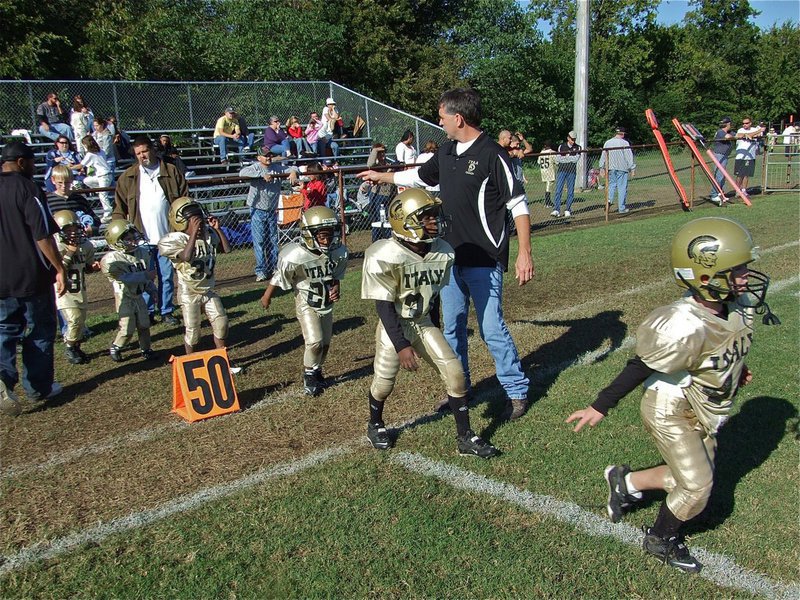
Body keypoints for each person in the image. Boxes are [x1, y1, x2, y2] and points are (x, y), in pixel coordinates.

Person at [566, 216, 779, 574]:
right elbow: (641, 365)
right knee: (697, 487)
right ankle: (660, 538)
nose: (745, 276)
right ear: (706, 277)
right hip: (671, 407)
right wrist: (601, 405)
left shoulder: (734, 305)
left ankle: (625, 481)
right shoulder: (683, 322)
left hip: (703, 404)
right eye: (737, 269)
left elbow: (724, 347)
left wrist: (734, 371)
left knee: (691, 475)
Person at [358, 88, 534, 420]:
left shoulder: (493, 154)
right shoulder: (448, 151)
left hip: (484, 258)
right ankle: (460, 388)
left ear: (458, 118)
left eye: (441, 116)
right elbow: (420, 177)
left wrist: (525, 252)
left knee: (491, 328)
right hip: (449, 259)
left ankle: (516, 390)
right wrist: (382, 175)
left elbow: (518, 205)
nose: (439, 122)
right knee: (451, 327)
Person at [361, 189, 499, 456]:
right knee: (384, 383)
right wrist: (401, 345)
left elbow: (432, 297)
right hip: (395, 326)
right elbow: (384, 306)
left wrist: (433, 329)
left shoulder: (442, 251)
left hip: (422, 322)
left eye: (434, 216)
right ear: (405, 221)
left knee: (455, 373)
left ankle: (465, 437)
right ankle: (375, 423)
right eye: (427, 218)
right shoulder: (383, 254)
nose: (435, 222)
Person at [0, 141, 67, 415]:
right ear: (21, 162)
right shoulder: (28, 189)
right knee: (39, 329)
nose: (35, 166)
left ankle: (4, 380)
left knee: (4, 330)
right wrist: (59, 267)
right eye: (32, 161)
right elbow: (42, 235)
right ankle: (39, 386)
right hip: (31, 274)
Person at [260, 206, 349, 396]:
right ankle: (309, 375)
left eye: (330, 235)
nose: (327, 241)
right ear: (309, 234)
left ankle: (316, 371)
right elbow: (278, 276)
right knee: (315, 342)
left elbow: (335, 276)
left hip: (326, 303)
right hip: (306, 301)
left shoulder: (337, 251)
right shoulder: (294, 255)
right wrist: (267, 295)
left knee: (325, 344)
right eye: (322, 236)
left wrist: (335, 288)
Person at [113, 135, 189, 326]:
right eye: (138, 153)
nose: (142, 156)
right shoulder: (128, 177)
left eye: (145, 151)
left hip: (166, 236)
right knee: (145, 278)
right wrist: (120, 232)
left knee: (166, 276)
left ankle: (166, 310)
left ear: (153, 150)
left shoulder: (171, 171)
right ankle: (146, 311)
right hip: (141, 239)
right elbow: (119, 208)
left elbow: (184, 199)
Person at [158, 198, 237, 364]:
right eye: (194, 222)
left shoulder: (208, 234)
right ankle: (189, 363)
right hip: (189, 291)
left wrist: (218, 229)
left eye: (200, 222)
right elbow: (186, 256)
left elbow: (227, 249)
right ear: (180, 223)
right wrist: (193, 233)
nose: (199, 226)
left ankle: (224, 362)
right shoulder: (174, 240)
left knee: (222, 324)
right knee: (193, 332)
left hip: (207, 290)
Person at [101, 220, 158, 362]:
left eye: (134, 238)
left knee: (144, 325)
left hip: (138, 296)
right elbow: (125, 278)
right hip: (124, 297)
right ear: (116, 241)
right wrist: (145, 275)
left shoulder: (142, 253)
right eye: (128, 239)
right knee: (127, 328)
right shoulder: (112, 259)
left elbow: (146, 278)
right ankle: (116, 346)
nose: (133, 242)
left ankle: (146, 349)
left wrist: (152, 289)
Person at [239, 147, 299, 282]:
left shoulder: (276, 167)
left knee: (272, 240)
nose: (268, 158)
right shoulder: (255, 167)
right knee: (259, 241)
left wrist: (294, 172)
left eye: (270, 155)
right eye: (265, 156)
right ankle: (261, 270)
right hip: (257, 209)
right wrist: (260, 175)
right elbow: (242, 173)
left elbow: (293, 168)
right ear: (259, 157)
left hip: (271, 210)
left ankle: (274, 267)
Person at [52, 210, 99, 364]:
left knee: (80, 321)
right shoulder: (56, 245)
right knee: (74, 320)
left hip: (79, 289)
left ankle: (76, 346)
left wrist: (93, 266)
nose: (73, 233)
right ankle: (69, 347)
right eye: (68, 229)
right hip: (63, 290)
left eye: (75, 228)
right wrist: (69, 253)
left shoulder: (84, 245)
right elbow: (57, 269)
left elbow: (86, 267)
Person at [47, 165, 100, 236]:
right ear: (53, 180)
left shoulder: (79, 199)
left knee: (88, 247)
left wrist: (91, 228)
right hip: (57, 238)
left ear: (71, 180)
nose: (64, 186)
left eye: (67, 182)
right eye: (60, 183)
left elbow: (95, 219)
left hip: (78, 237)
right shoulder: (48, 200)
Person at [77, 135, 114, 223]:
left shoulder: (90, 154)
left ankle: (108, 214)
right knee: (86, 180)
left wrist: (69, 167)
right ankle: (98, 190)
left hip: (103, 176)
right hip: (105, 175)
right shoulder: (101, 151)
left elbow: (80, 165)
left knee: (103, 196)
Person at [599, 126, 636, 214]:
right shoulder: (625, 143)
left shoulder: (608, 142)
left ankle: (609, 200)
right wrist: (632, 168)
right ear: (622, 134)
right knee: (622, 187)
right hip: (622, 168)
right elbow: (628, 157)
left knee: (611, 185)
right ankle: (621, 208)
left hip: (611, 167)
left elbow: (603, 155)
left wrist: (601, 167)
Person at [552, 130, 581, 218]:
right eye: (572, 139)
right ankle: (556, 209)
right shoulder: (561, 146)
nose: (573, 141)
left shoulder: (578, 147)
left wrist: (566, 158)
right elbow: (558, 159)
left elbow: (576, 159)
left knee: (570, 191)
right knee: (558, 190)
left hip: (571, 172)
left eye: (574, 139)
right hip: (562, 170)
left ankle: (568, 209)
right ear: (568, 138)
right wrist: (569, 158)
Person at [709, 117, 735, 204]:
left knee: (722, 176)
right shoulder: (720, 132)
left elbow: (738, 135)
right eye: (730, 124)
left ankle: (720, 193)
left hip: (724, 155)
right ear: (728, 124)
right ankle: (714, 195)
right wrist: (733, 136)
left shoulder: (728, 132)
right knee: (719, 175)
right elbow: (728, 137)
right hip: (719, 155)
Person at [734, 117, 763, 191]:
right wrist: (757, 131)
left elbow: (759, 134)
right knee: (739, 175)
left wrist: (758, 132)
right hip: (741, 156)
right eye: (743, 123)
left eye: (746, 123)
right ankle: (737, 191)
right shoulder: (740, 130)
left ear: (750, 123)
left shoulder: (754, 129)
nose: (744, 125)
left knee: (747, 174)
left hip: (750, 156)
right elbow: (740, 135)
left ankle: (744, 190)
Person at [318, 98, 340, 164]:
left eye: (333, 104)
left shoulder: (335, 109)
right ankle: (323, 162)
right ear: (328, 104)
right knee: (322, 146)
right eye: (331, 104)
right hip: (323, 134)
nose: (333, 105)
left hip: (329, 135)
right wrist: (334, 118)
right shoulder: (325, 109)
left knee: (335, 146)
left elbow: (336, 117)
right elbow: (329, 118)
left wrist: (333, 110)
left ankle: (336, 161)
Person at [537, 141, 556, 206]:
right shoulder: (552, 152)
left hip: (543, 171)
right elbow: (556, 161)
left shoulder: (541, 152)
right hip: (549, 170)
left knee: (548, 186)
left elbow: (539, 162)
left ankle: (548, 201)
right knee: (548, 187)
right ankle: (548, 202)